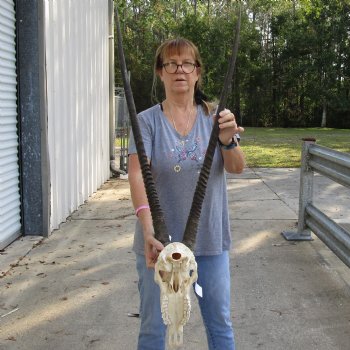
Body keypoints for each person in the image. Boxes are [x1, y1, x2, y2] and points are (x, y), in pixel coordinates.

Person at [128, 37, 245, 350]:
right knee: (153, 327)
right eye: (171, 63)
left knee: (220, 323)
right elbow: (138, 172)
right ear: (160, 72)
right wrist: (148, 231)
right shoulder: (146, 122)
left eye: (187, 63)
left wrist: (228, 140)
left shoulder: (217, 117)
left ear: (197, 72)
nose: (180, 69)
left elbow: (236, 168)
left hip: (208, 241)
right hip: (158, 246)